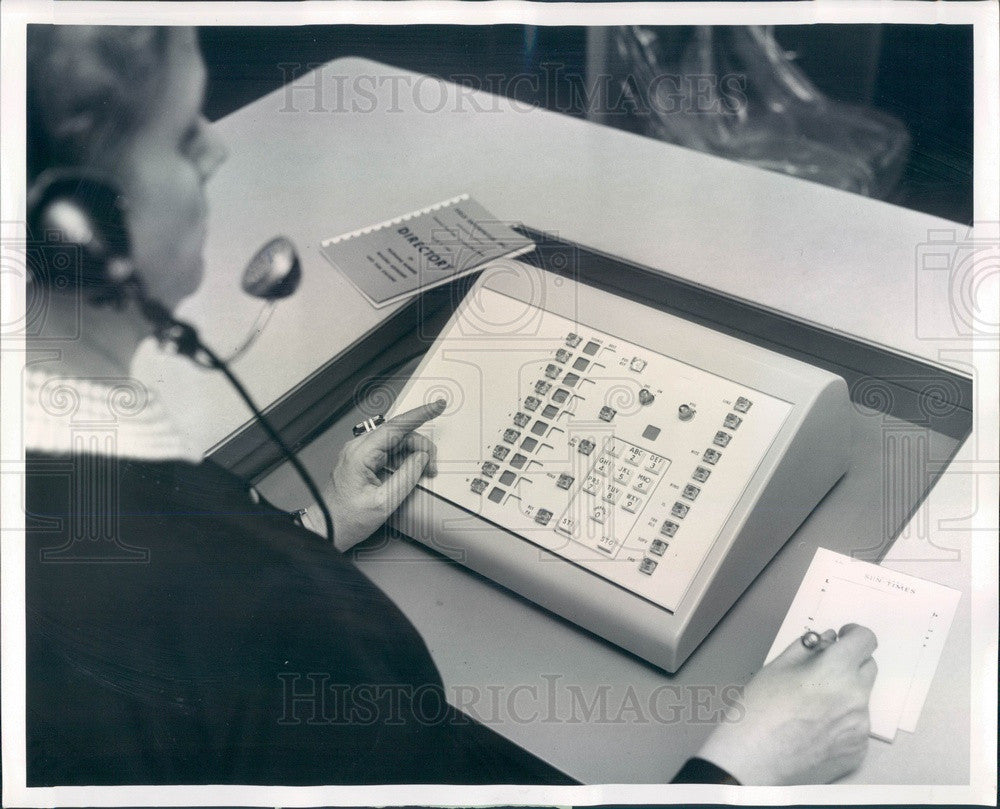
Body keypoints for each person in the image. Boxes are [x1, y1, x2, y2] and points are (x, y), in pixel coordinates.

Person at [23, 24, 878, 788]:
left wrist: (312, 534)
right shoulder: (276, 618)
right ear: (79, 225)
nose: (216, 152)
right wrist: (747, 764)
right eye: (180, 134)